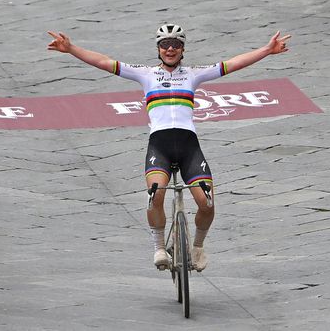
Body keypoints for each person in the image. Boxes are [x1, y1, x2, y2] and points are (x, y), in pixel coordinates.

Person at [47, 24, 291, 271]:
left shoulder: (194, 74)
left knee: (207, 204)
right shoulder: (146, 74)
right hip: (160, 146)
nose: (170, 48)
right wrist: (71, 49)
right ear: (158, 49)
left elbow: (232, 64)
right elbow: (104, 62)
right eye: (165, 44)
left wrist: (267, 50)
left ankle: (197, 247)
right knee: (155, 195)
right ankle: (159, 247)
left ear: (183, 49)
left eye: (175, 44)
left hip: (189, 147)